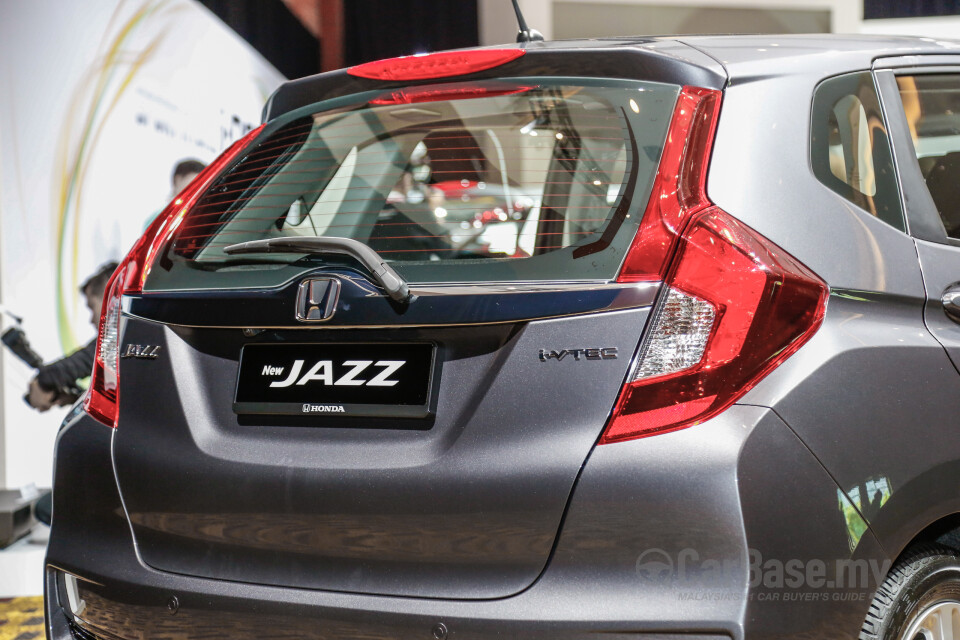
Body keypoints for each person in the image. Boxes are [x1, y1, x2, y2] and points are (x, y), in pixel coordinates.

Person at [26, 262, 119, 412]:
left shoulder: (131, 333)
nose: (91, 319)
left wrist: (45, 380)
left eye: (92, 306)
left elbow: (99, 353)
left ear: (112, 301)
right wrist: (74, 398)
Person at [143, 159, 205, 230]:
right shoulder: (158, 217)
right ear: (178, 179)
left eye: (200, 185)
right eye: (193, 183)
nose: (196, 189)